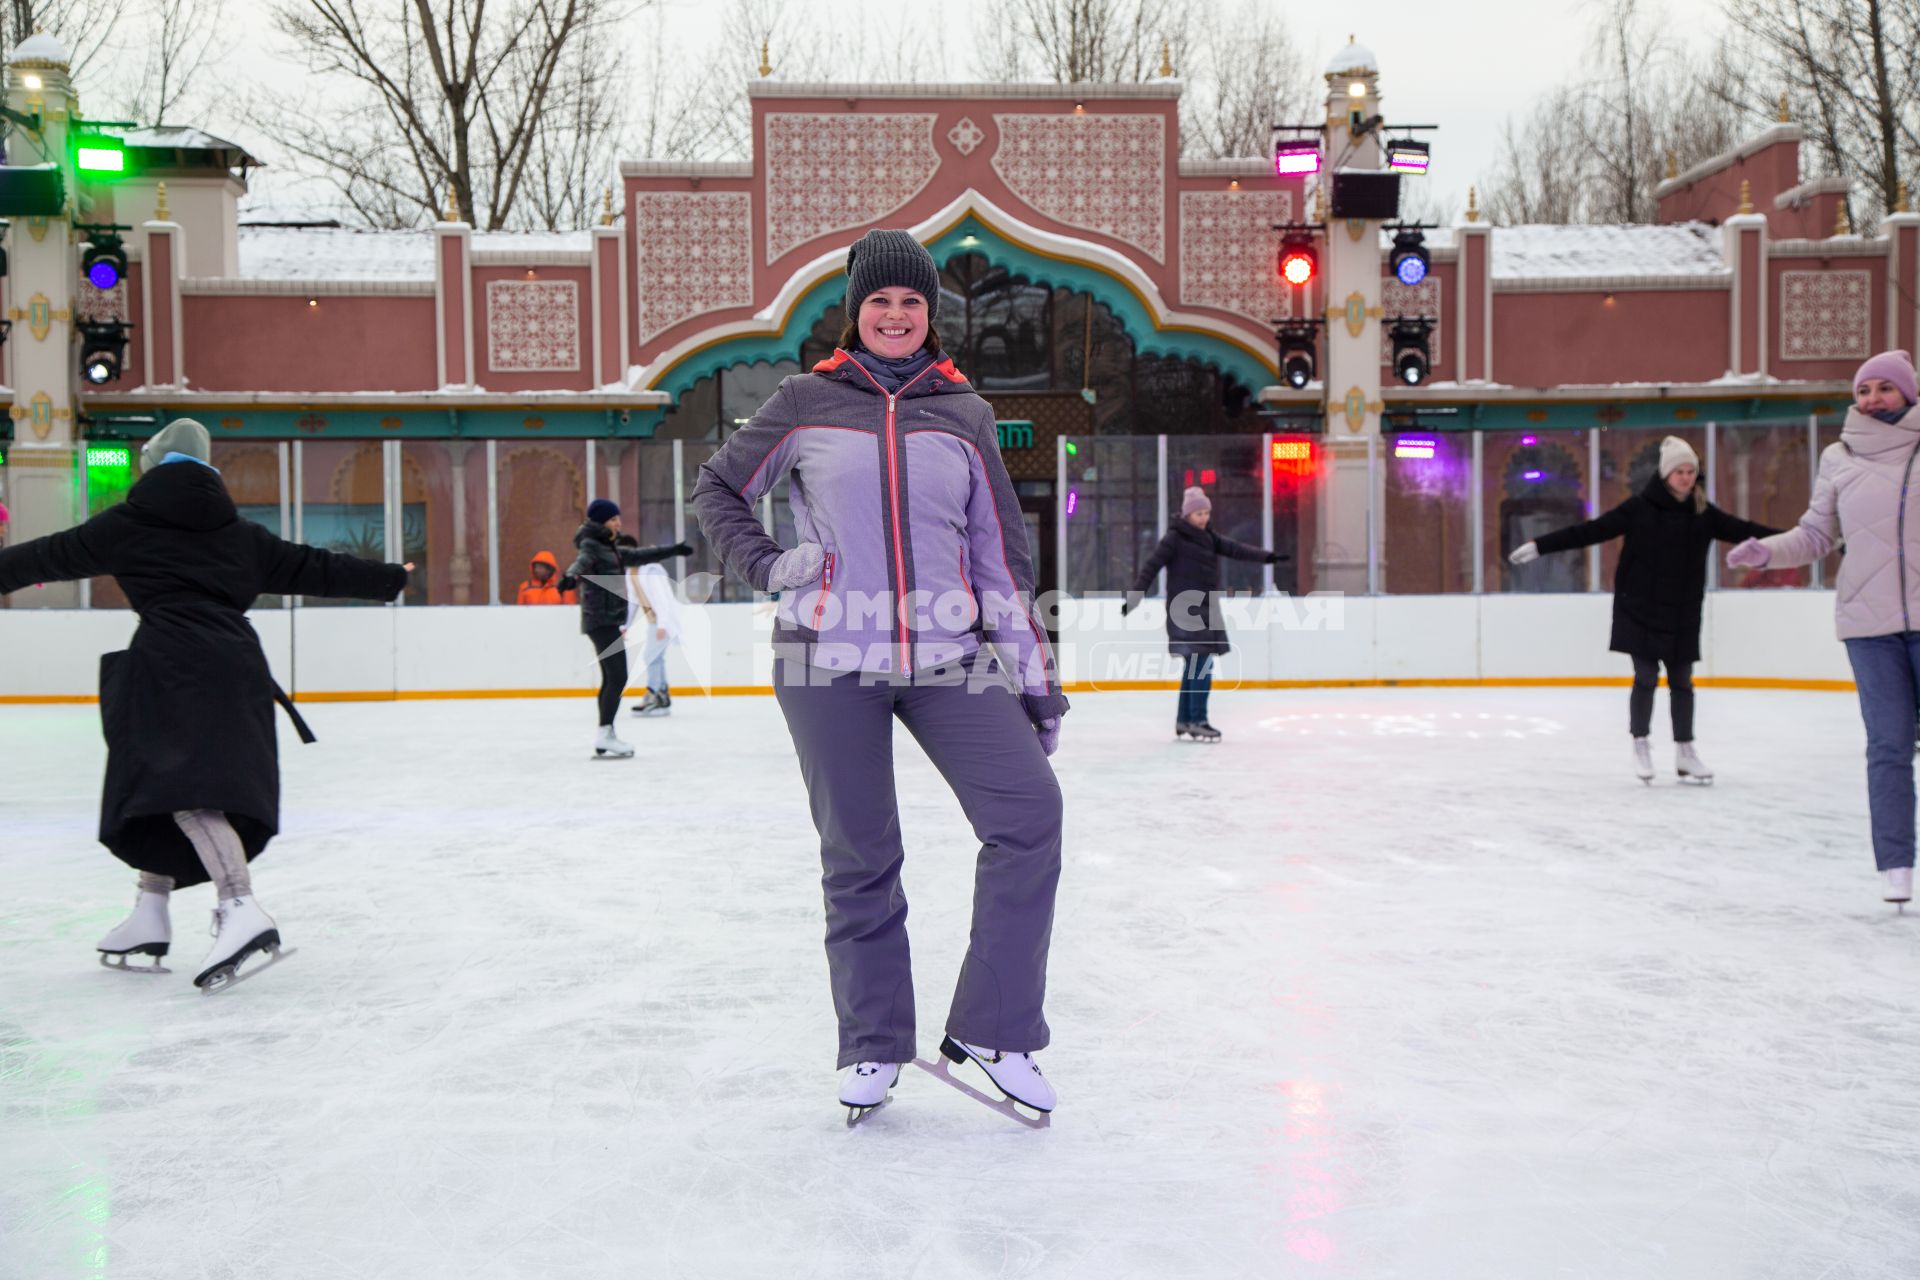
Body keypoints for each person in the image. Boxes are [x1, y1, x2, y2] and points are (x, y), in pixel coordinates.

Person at [692, 228, 1068, 1119]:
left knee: (1029, 816)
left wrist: (1034, 679)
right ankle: (871, 1044)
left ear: (928, 315)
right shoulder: (803, 400)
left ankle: (995, 1026)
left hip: (948, 655)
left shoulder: (964, 413)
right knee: (860, 852)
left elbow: (999, 561)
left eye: (911, 303)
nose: (896, 316)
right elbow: (717, 489)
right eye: (879, 302)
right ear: (855, 311)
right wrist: (772, 565)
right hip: (827, 655)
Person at [0, 419, 411, 989]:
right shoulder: (239, 532)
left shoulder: (129, 524)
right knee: (165, 785)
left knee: (183, 792)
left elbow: (46, 556)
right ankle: (151, 910)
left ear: (152, 466)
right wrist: (389, 577)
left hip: (170, 666)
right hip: (236, 665)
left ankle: (240, 906)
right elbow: (314, 566)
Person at [1726, 350, 1920, 906]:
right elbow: (1814, 535)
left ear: (1907, 393)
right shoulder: (1840, 457)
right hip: (1868, 623)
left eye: (1885, 388)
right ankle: (1897, 865)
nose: (1873, 399)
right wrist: (1765, 551)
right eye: (1865, 390)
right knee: (1888, 744)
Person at [1510, 435, 1777, 785]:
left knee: (1682, 681)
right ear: (1665, 475)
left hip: (1682, 610)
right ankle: (1641, 743)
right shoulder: (1639, 508)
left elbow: (1748, 533)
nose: (1685, 478)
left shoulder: (1703, 514)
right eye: (1679, 471)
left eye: (1690, 472)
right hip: (1639, 607)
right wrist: (1540, 545)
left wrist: (1806, 539)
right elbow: (1592, 531)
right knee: (1646, 677)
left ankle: (1685, 750)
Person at [1121, 486, 1286, 742]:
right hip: (1185, 610)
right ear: (1187, 514)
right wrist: (1134, 599)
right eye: (1199, 513)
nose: (1204, 518)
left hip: (1206, 608)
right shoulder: (1174, 539)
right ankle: (1197, 719)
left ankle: (1185, 719)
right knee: (1202, 665)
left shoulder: (1209, 537)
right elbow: (1151, 567)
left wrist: (1268, 558)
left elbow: (1236, 549)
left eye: (1206, 513)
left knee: (1194, 665)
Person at [557, 500, 690, 759]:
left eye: (618, 518)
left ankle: (605, 732)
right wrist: (570, 577)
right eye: (613, 519)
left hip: (606, 620)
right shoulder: (592, 546)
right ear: (601, 522)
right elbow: (581, 563)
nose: (618, 523)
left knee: (613, 677)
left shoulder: (612, 549)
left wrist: (674, 550)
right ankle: (606, 732)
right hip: (600, 619)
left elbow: (641, 555)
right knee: (617, 677)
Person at [626, 559, 682, 717]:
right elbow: (633, 601)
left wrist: (663, 624)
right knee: (655, 657)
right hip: (653, 621)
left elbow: (663, 598)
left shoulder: (651, 571)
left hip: (663, 620)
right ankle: (662, 696)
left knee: (650, 657)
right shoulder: (630, 573)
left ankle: (654, 695)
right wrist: (626, 625)